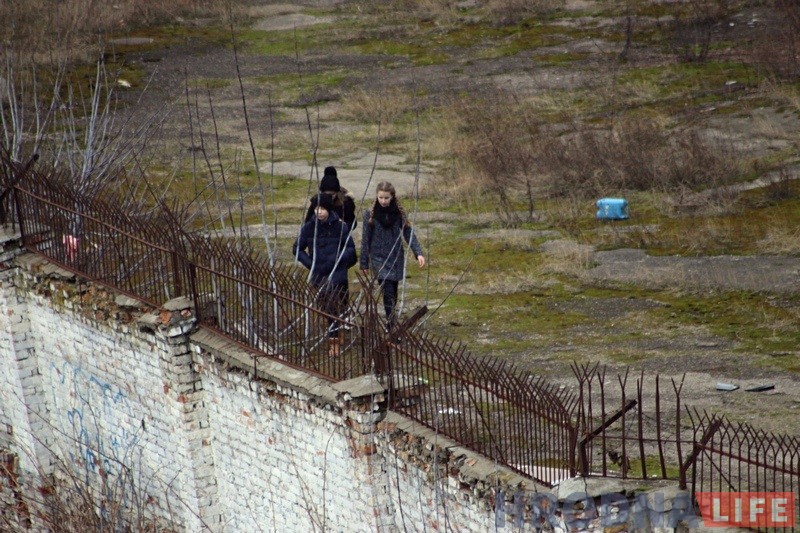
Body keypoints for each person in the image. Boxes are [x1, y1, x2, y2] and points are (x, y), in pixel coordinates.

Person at [293, 193, 357, 356]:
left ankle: (337, 334)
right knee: (328, 309)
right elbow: (297, 249)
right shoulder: (309, 227)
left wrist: (339, 261)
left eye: (322, 208)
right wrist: (311, 264)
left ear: (329, 209)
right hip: (319, 273)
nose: (319, 212)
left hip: (337, 273)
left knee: (340, 305)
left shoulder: (340, 227)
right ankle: (333, 340)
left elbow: (351, 250)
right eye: (316, 208)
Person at [360, 181, 425, 334]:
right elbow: (365, 239)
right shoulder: (370, 214)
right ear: (376, 196)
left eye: (386, 198)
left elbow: (408, 233)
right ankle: (391, 328)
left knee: (393, 291)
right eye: (381, 197)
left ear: (392, 197)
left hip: (395, 256)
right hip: (378, 258)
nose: (383, 201)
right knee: (387, 291)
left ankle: (392, 319)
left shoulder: (399, 213)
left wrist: (418, 253)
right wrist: (364, 263)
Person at [304, 166, 357, 232]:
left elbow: (353, 223)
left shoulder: (345, 202)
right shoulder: (317, 201)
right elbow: (307, 222)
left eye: (332, 194)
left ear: (337, 192)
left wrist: (344, 225)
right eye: (326, 194)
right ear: (322, 192)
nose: (329, 197)